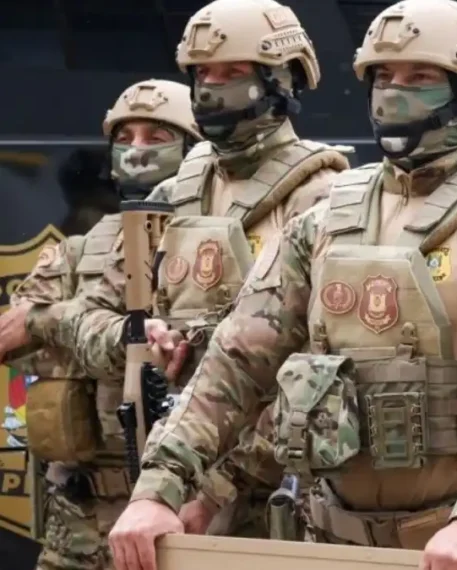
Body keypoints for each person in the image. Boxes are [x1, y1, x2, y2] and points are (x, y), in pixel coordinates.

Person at [100, 1, 457, 570]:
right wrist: (159, 488)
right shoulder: (325, 221)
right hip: (334, 542)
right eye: (384, 77)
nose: (393, 94)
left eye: (419, 78)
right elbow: (236, 360)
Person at [45, 0, 352, 543]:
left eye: (232, 73)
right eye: (202, 74)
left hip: (280, 492)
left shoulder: (324, 198)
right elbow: (85, 317)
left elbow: (326, 367)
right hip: (171, 476)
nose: (211, 88)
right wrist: (135, 336)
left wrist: (219, 487)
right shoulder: (172, 195)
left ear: (280, 79)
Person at [0, 78, 201, 570]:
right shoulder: (81, 248)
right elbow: (14, 337)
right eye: (124, 138)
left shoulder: (211, 243)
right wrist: (93, 335)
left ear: (194, 150)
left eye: (156, 137)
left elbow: (187, 356)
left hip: (176, 508)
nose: (136, 151)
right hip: (79, 513)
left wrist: (53, 324)